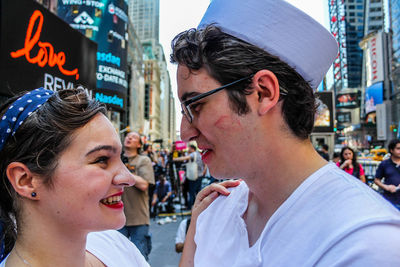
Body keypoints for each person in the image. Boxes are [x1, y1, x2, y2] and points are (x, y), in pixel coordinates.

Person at [171, 0, 400, 266]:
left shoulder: (367, 242)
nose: (185, 132)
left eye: (196, 105)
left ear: (263, 93)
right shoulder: (214, 212)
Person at [0, 88, 149, 266]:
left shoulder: (117, 246)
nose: (128, 178)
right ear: (25, 180)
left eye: (121, 159)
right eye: (102, 159)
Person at [119, 131, 155, 260]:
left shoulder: (143, 160)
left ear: (139, 144)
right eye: (128, 136)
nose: (129, 137)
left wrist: (122, 170)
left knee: (138, 258)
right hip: (117, 219)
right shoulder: (116, 159)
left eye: (133, 137)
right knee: (117, 258)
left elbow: (144, 184)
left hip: (138, 218)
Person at [174, 145, 205, 209]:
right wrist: (204, 171)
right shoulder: (199, 154)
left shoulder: (193, 154)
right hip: (199, 175)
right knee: (197, 191)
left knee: (191, 191)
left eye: (189, 148)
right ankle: (199, 205)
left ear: (192, 149)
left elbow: (185, 158)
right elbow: (204, 164)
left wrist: (174, 159)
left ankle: (191, 206)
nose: (188, 149)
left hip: (194, 176)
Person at [374, 139, 400, 210]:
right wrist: (386, 187)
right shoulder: (384, 164)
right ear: (391, 150)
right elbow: (376, 180)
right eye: (398, 149)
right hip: (390, 200)